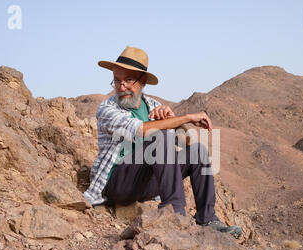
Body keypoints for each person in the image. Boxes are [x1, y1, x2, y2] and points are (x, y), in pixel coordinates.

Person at [83, 46, 242, 238]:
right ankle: (175, 214)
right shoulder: (107, 109)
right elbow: (141, 130)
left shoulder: (153, 106)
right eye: (117, 80)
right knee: (160, 135)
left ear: (142, 82)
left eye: (128, 80)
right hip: (118, 183)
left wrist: (172, 119)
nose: (121, 86)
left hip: (146, 184)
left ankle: (207, 218)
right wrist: (186, 117)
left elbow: (187, 143)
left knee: (198, 151)